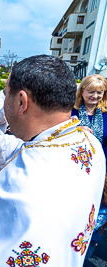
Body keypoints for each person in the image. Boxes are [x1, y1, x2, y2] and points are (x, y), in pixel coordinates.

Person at [0, 55, 106, 266]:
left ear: (21, 101)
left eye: (5, 96)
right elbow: (30, 147)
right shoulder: (88, 142)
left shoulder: (20, 181)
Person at [71, 74, 107, 259]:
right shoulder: (71, 113)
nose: (95, 96)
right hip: (76, 171)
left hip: (103, 173)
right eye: (91, 91)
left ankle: (86, 254)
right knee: (77, 214)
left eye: (99, 92)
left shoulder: (106, 114)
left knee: (99, 215)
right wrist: (76, 129)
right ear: (82, 91)